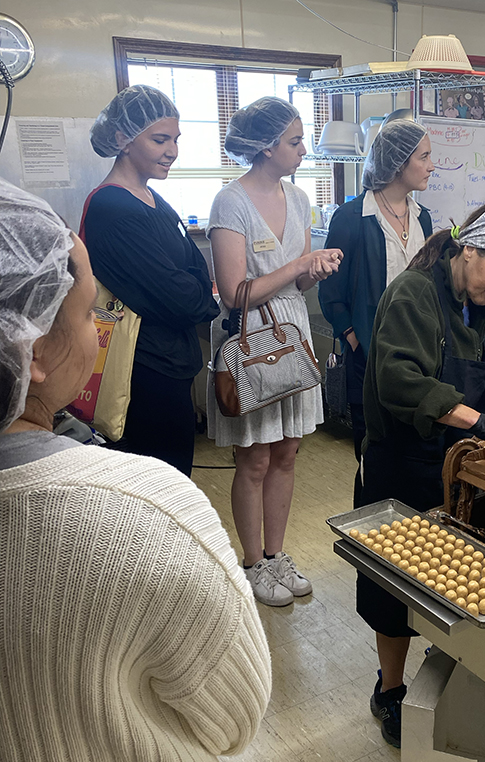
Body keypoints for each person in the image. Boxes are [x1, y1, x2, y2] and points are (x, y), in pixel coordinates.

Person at [0, 179, 271, 761]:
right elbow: (234, 712)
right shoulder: (144, 512)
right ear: (34, 352)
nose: (99, 330)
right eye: (89, 311)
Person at [358, 201, 485, 748]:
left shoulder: (472, 302)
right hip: (401, 463)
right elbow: (403, 382)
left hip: (448, 463)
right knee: (395, 587)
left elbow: (456, 369)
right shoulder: (414, 294)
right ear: (469, 249)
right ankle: (390, 690)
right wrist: (484, 421)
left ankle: (446, 682)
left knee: (446, 581)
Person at [207, 96, 342, 607]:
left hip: (292, 333)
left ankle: (278, 554)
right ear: (265, 148)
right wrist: (297, 265)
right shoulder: (231, 202)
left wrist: (315, 269)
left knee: (287, 453)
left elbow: (296, 285)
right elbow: (235, 292)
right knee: (255, 459)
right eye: (294, 141)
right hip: (250, 342)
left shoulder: (300, 199)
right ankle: (252, 561)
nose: (303, 150)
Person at [81, 84, 220, 476]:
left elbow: (196, 270)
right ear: (123, 138)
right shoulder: (112, 206)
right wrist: (199, 296)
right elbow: (182, 300)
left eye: (176, 139)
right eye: (160, 139)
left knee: (178, 476)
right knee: (158, 483)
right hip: (142, 376)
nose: (172, 151)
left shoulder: (155, 200)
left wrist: (195, 292)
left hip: (173, 366)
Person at [319, 119, 434, 507]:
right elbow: (332, 293)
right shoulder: (352, 219)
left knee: (413, 459)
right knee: (374, 457)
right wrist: (355, 338)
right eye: (424, 156)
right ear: (399, 162)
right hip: (367, 360)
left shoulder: (424, 218)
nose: (432, 165)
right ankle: (369, 550)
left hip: (417, 359)